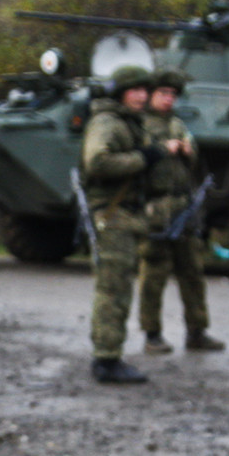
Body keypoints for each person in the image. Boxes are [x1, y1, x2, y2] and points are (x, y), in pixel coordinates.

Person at [80, 64, 164, 383]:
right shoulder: (108, 123)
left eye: (145, 90)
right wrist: (142, 159)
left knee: (120, 286)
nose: (142, 96)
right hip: (112, 214)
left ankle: (109, 354)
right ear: (120, 93)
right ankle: (106, 358)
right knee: (113, 288)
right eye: (135, 90)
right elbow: (97, 161)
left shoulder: (130, 123)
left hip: (125, 214)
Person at [137, 69, 224, 355]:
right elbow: (136, 158)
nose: (168, 100)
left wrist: (188, 150)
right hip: (156, 207)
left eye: (173, 95)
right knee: (154, 273)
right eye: (163, 94)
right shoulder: (141, 125)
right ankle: (152, 333)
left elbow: (195, 156)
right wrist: (161, 148)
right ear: (151, 95)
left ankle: (197, 331)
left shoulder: (177, 124)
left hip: (183, 207)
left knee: (193, 273)